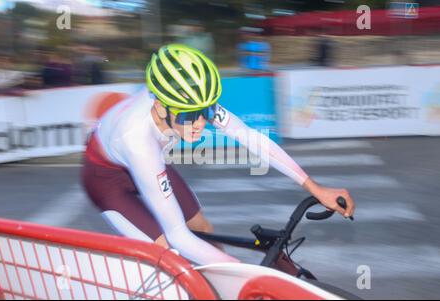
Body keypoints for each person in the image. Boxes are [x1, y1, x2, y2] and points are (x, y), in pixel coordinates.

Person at [81, 44, 355, 266]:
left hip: (140, 157)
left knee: (202, 227)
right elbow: (177, 236)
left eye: (205, 111)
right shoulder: (137, 140)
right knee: (170, 256)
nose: (200, 122)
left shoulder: (188, 100)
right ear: (161, 107)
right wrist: (238, 271)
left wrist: (315, 187)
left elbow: (251, 138)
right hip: (105, 179)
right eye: (191, 115)